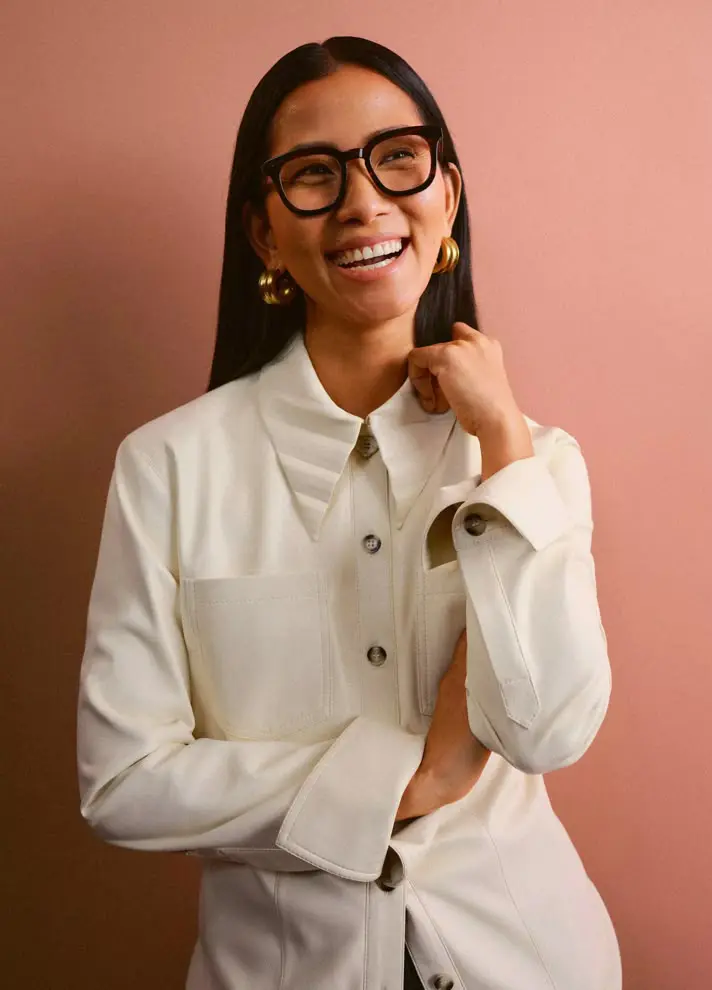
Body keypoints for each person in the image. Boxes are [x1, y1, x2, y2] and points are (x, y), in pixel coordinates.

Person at [76, 35, 622, 990]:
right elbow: (123, 784)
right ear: (263, 231)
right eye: (314, 176)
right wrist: (408, 786)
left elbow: (547, 733)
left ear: (446, 192)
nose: (364, 201)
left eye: (397, 158)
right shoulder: (165, 468)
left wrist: (503, 448)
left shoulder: (536, 463)